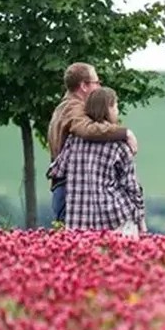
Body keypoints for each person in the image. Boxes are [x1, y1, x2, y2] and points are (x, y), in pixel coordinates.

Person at [46, 62, 138, 224]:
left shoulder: (64, 107)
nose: (99, 86)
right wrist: (124, 133)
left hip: (65, 188)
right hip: (71, 189)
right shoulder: (73, 107)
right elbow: (88, 129)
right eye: (97, 82)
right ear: (83, 86)